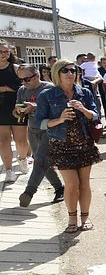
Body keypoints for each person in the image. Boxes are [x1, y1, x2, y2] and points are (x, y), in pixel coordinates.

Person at [34, 60, 101, 233]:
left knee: (84, 183)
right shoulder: (47, 95)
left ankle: (85, 218)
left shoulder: (84, 92)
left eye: (74, 70)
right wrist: (60, 119)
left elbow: (95, 116)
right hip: (61, 145)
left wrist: (84, 109)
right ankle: (72, 219)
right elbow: (39, 123)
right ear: (57, 73)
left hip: (84, 143)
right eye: (66, 70)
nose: (70, 73)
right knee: (71, 185)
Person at [14, 64, 64, 207]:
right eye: (21, 80)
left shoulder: (49, 88)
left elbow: (56, 109)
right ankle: (59, 188)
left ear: (37, 76)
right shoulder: (22, 90)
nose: (24, 83)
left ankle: (29, 191)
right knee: (41, 161)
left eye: (27, 79)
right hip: (33, 129)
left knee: (40, 160)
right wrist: (19, 111)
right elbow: (15, 112)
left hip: (49, 129)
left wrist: (35, 106)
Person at [0, 41, 29, 183]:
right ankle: (9, 170)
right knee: (3, 140)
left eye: (6, 52)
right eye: (1, 52)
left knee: (21, 140)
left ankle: (23, 159)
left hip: (17, 106)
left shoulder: (16, 68)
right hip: (0, 108)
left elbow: (25, 86)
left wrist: (5, 88)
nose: (4, 55)